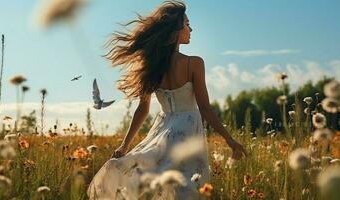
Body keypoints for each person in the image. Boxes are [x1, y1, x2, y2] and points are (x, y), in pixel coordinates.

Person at [87, 1, 247, 199]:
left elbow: (142, 110)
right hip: (187, 130)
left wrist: (125, 146)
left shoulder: (152, 67)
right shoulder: (194, 63)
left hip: (162, 130)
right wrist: (230, 140)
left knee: (156, 182)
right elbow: (205, 109)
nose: (191, 28)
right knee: (187, 188)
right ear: (176, 30)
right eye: (187, 24)